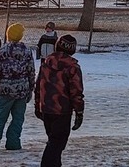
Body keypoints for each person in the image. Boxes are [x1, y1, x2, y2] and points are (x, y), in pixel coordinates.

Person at [34, 35, 85, 167]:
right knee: (57, 143)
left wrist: (37, 105)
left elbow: (39, 85)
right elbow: (76, 92)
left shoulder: (46, 63)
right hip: (62, 111)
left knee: (54, 141)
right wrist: (79, 112)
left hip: (46, 108)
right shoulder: (73, 67)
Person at [0, 23, 35, 151]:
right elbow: (31, 70)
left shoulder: (2, 51)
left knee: (0, 118)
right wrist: (30, 88)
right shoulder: (27, 51)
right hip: (21, 90)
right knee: (18, 119)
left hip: (5, 90)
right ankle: (13, 143)